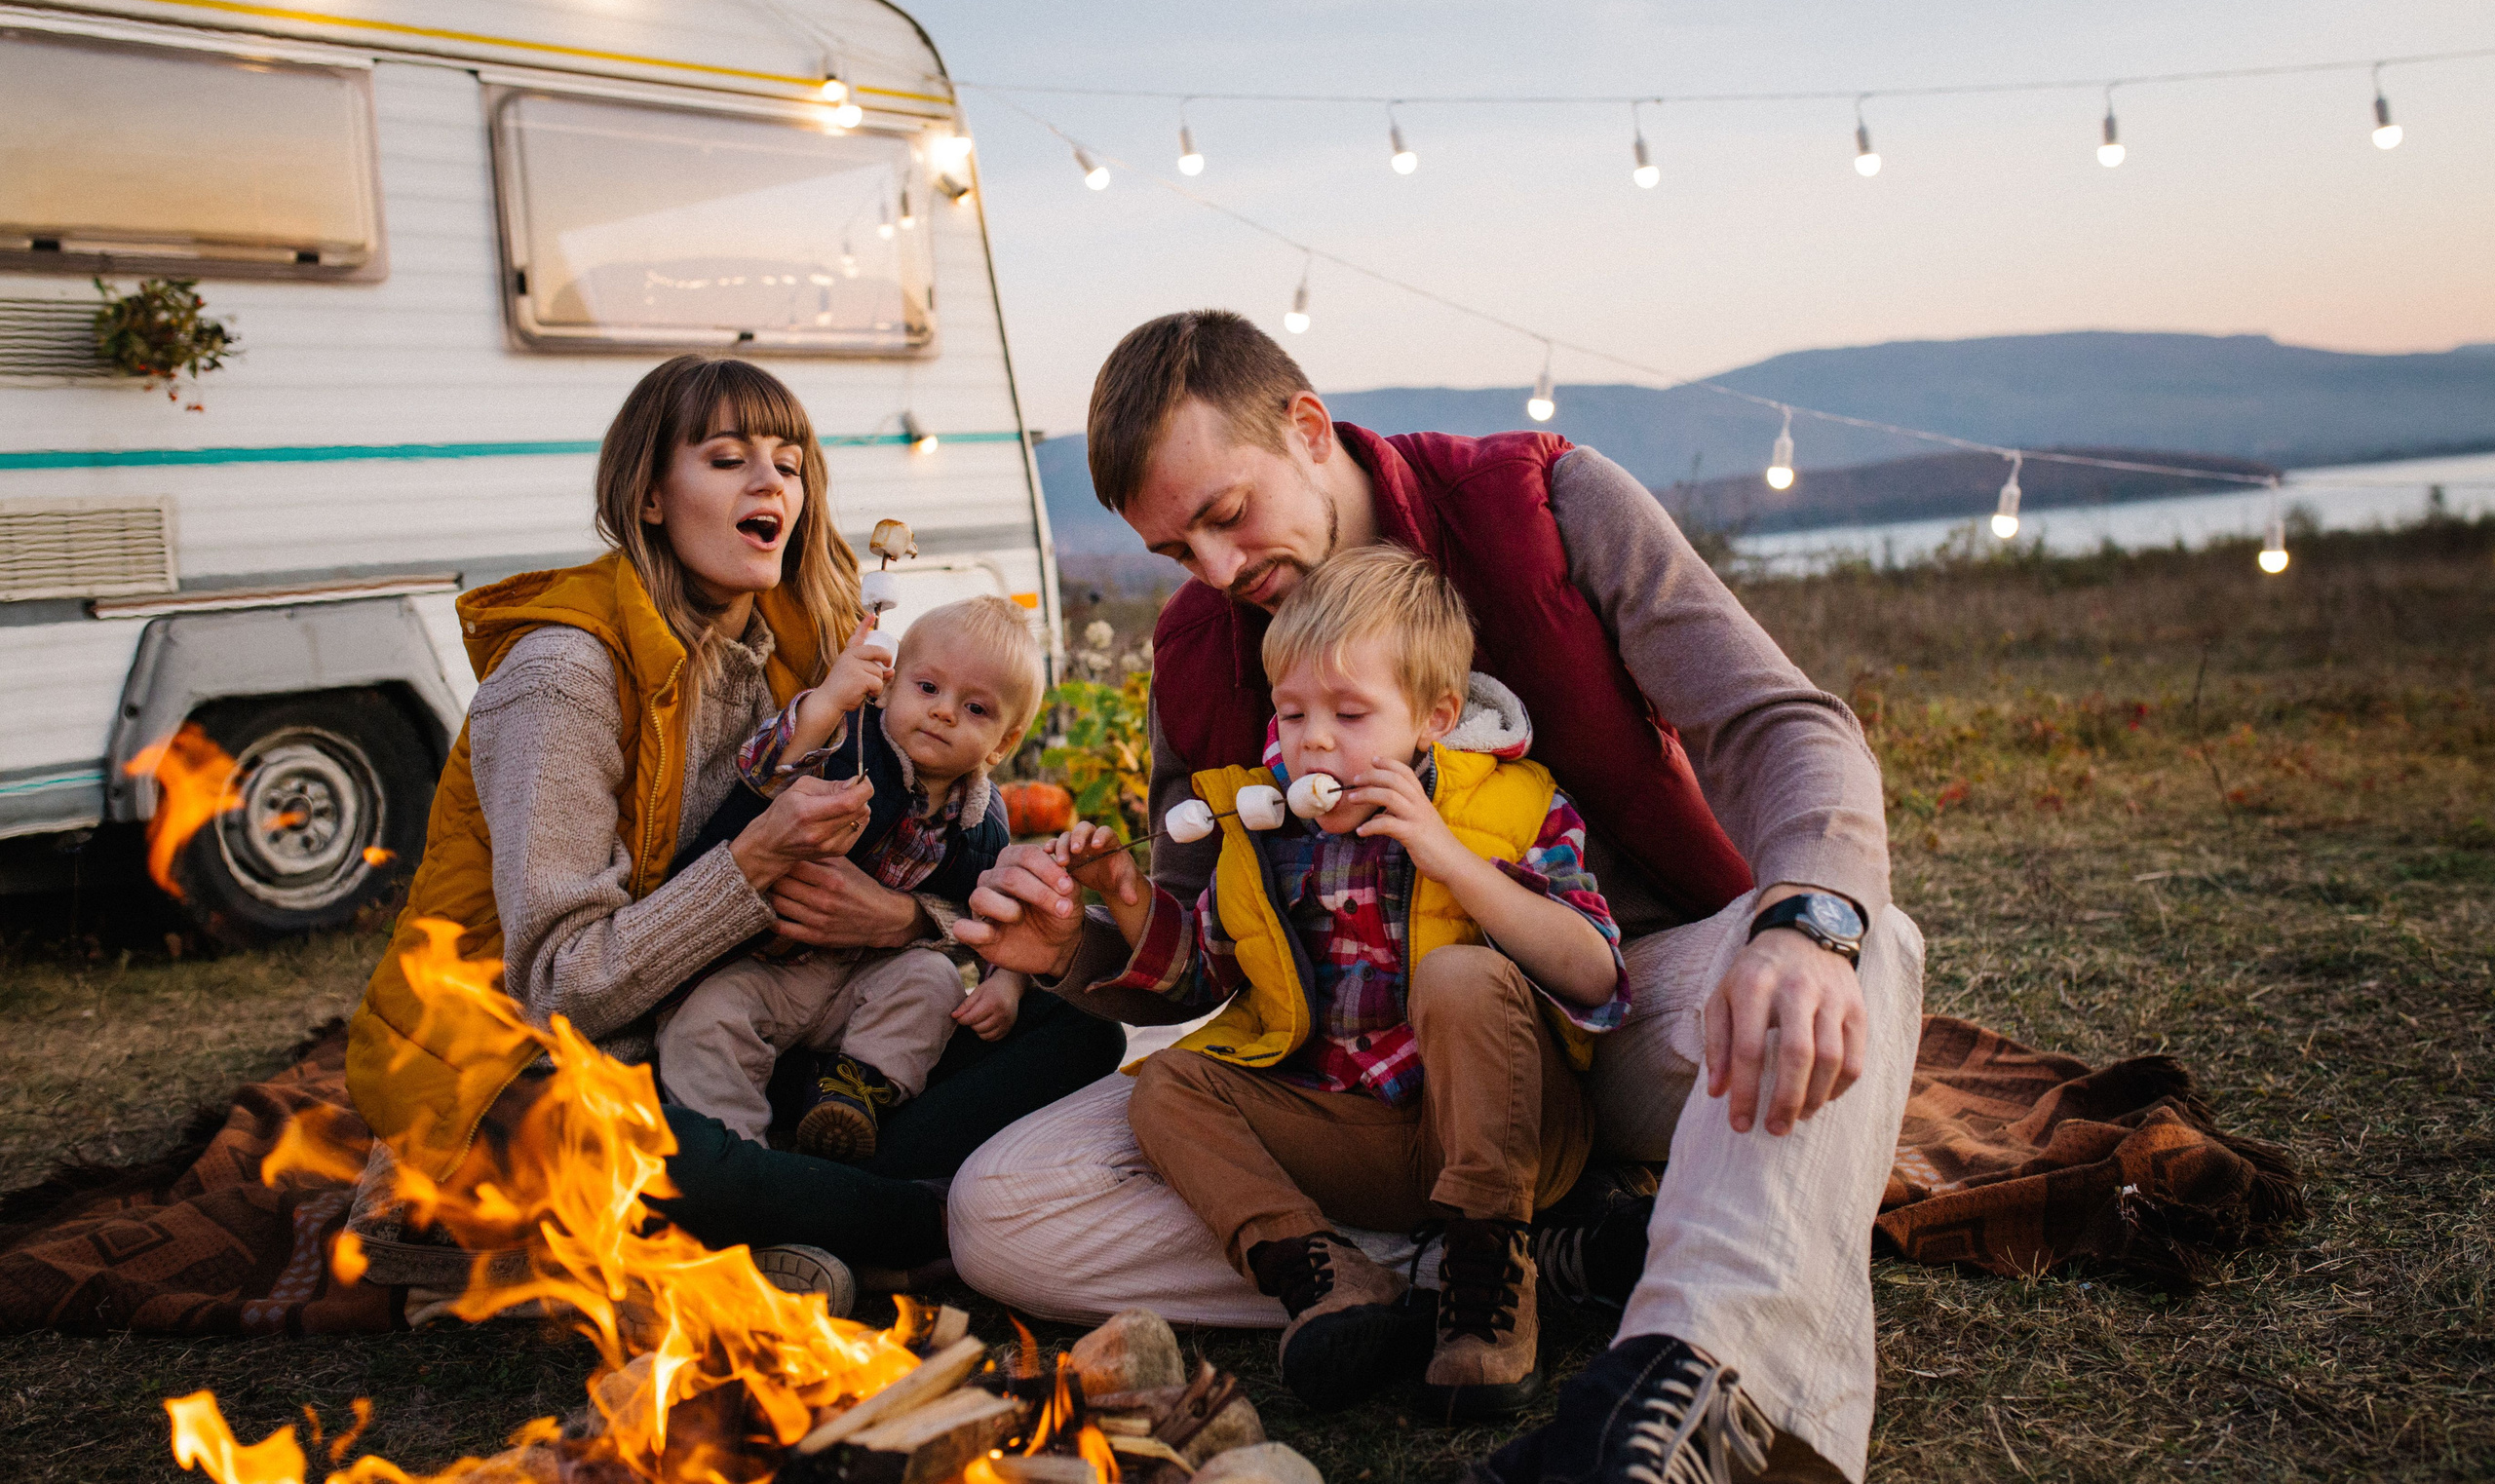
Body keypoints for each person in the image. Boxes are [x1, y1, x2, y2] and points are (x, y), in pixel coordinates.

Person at [952, 311, 1925, 1483]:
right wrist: (1074, 942)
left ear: (1308, 429)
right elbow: (1192, 955)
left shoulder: (1543, 506)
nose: (1216, 573)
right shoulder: (1198, 650)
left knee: (1861, 938)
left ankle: (1703, 1390)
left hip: (1620, 1007)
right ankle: (1505, 1263)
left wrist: (1805, 920)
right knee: (1001, 1209)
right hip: (1355, 1080)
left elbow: (1782, 724)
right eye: (1176, 552)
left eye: (1227, 514)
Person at [343, 355, 1124, 1313]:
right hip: (536, 1059)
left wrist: (902, 921)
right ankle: (910, 1222)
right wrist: (752, 862)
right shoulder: (562, 678)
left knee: (1074, 1028)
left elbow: (929, 845)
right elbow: (562, 990)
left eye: (788, 465)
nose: (771, 485)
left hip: (743, 1014)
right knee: (681, 1159)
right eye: (727, 460)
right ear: (650, 497)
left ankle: (808, 1206)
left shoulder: (787, 654)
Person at [1058, 545, 1628, 1421]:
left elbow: (1595, 971)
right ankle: (1329, 1275)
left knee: (1459, 974)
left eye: (1350, 713)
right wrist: (1128, 899)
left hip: (1511, 1126)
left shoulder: (1516, 802)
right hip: (1361, 1135)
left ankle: (1488, 1282)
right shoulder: (1265, 830)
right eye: (1291, 713)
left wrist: (1448, 855)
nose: (1313, 739)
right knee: (1167, 1083)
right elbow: (1206, 971)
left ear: (1434, 716)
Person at [658, 593, 1045, 1161]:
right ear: (887, 687)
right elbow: (764, 769)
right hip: (769, 968)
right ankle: (737, 1154)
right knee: (704, 1024)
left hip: (867, 981)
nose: (944, 712)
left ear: (1004, 743)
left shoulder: (983, 826)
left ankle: (853, 1090)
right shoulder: (849, 741)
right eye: (928, 688)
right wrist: (823, 705)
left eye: (976, 709)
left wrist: (1006, 984)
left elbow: (1003, 914)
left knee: (934, 980)